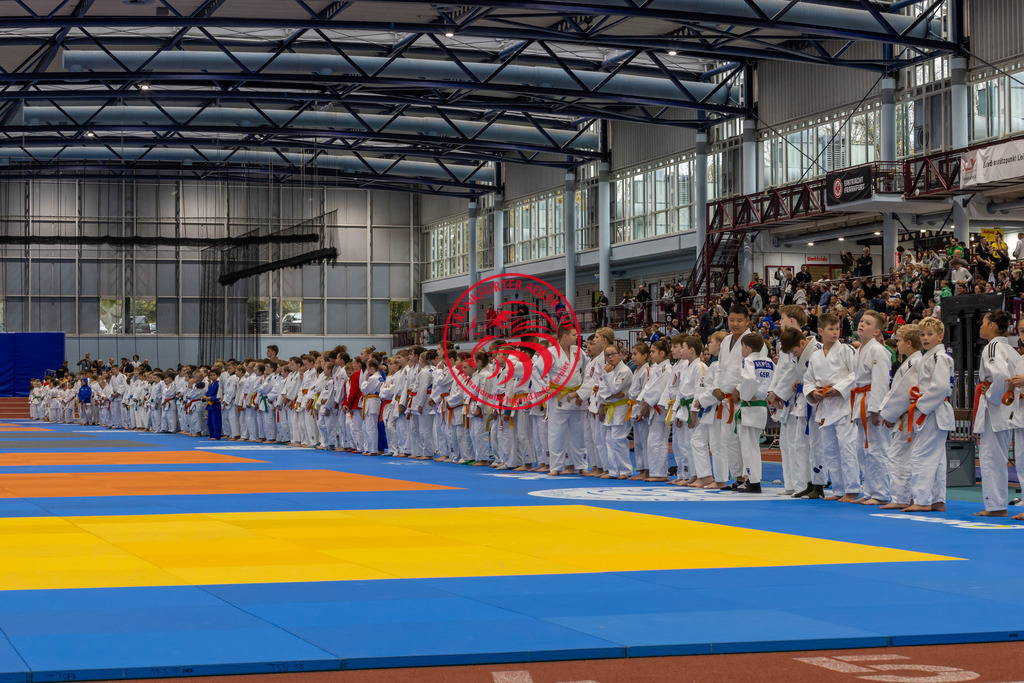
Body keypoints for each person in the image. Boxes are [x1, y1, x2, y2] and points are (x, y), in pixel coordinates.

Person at [804, 312, 859, 502]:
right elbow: (808, 379)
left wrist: (839, 389)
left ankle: (852, 489)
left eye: (837, 329)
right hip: (825, 406)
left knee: (847, 447)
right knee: (830, 450)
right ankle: (838, 488)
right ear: (820, 331)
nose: (835, 332)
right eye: (831, 329)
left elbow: (855, 374)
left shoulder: (846, 350)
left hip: (843, 405)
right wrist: (813, 392)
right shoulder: (815, 356)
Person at [974, 309, 1017, 517]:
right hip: (1008, 408)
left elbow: (1000, 375)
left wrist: (991, 395)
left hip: (996, 408)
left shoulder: (992, 347)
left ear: (992, 325)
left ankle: (996, 506)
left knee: (991, 457)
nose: (981, 327)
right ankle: (996, 504)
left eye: (983, 323)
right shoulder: (1011, 349)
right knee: (998, 456)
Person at [849, 310, 893, 506]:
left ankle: (881, 493)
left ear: (876, 332)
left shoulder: (878, 351)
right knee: (862, 449)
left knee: (877, 449)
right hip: (861, 400)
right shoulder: (861, 349)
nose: (861, 324)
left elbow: (881, 382)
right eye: (861, 321)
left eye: (867, 323)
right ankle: (869, 491)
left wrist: (876, 409)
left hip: (872, 403)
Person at [735, 333, 774, 493]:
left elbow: (749, 379)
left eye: (742, 346)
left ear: (747, 347)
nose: (741, 350)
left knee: (748, 446)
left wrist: (746, 395)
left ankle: (753, 482)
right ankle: (751, 479)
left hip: (750, 406)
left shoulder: (749, 361)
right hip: (762, 406)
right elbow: (774, 382)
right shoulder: (770, 362)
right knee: (754, 445)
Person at [204, 369, 222, 440]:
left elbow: (219, 394)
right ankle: (211, 435)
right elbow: (207, 393)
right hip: (210, 405)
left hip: (216, 404)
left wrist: (212, 398)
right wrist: (205, 397)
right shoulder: (210, 385)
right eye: (211, 375)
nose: (212, 376)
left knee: (216, 421)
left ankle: (216, 435)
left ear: (218, 376)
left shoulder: (218, 384)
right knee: (209, 422)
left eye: (214, 375)